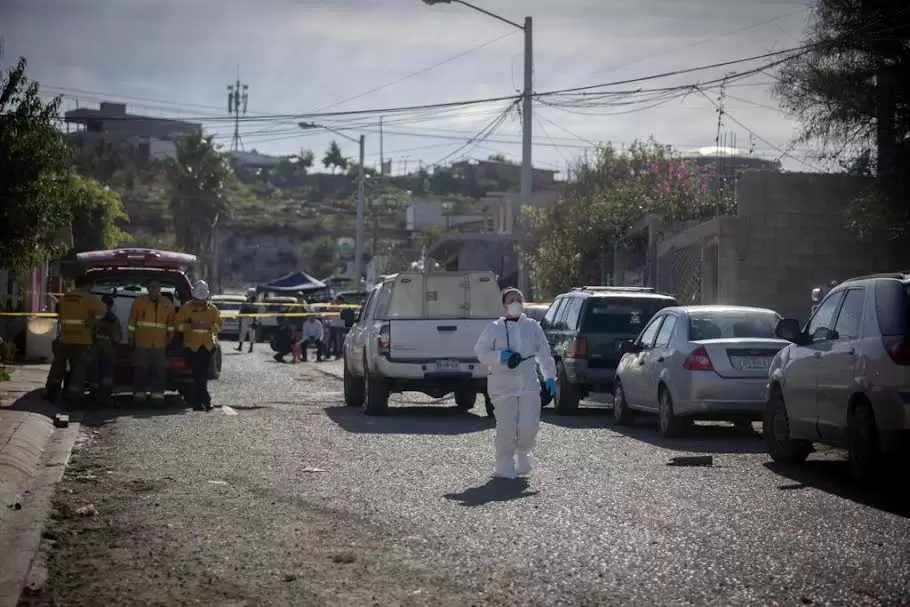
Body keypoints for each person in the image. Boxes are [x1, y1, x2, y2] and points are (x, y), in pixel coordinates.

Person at [473, 288, 557, 479]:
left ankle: (522, 454)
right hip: (502, 386)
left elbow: (544, 354)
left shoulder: (533, 327)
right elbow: (480, 352)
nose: (515, 303)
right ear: (504, 306)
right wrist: (499, 356)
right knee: (506, 427)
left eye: (518, 299)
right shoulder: (494, 328)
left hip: (528, 385)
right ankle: (504, 464)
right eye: (511, 300)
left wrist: (550, 376)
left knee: (529, 425)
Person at [45, 276, 107, 403]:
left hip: (65, 337)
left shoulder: (65, 297)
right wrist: (94, 321)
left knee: (58, 367)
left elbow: (60, 314)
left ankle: (51, 392)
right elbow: (103, 310)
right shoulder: (88, 298)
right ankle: (75, 396)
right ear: (87, 285)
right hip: (82, 339)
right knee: (78, 369)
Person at [174, 280, 223, 411]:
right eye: (197, 299)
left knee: (202, 375)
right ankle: (203, 401)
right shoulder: (186, 308)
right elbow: (177, 325)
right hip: (192, 346)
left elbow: (219, 325)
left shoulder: (212, 309)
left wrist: (210, 327)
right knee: (198, 375)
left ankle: (200, 402)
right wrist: (191, 326)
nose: (199, 302)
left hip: (207, 347)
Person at [127, 280, 175, 404]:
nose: (154, 289)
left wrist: (170, 337)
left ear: (160, 288)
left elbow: (171, 324)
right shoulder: (139, 302)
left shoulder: (167, 303)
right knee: (140, 371)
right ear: (147, 288)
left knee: (159, 371)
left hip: (160, 344)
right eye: (151, 286)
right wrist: (131, 338)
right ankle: (139, 397)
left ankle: (157, 397)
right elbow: (132, 322)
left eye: (156, 287)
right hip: (142, 343)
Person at [90, 294, 122, 404]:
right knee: (104, 374)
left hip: (98, 350)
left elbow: (91, 333)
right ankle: (103, 396)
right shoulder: (114, 320)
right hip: (107, 351)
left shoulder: (95, 318)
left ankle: (96, 395)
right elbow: (117, 338)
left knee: (98, 374)